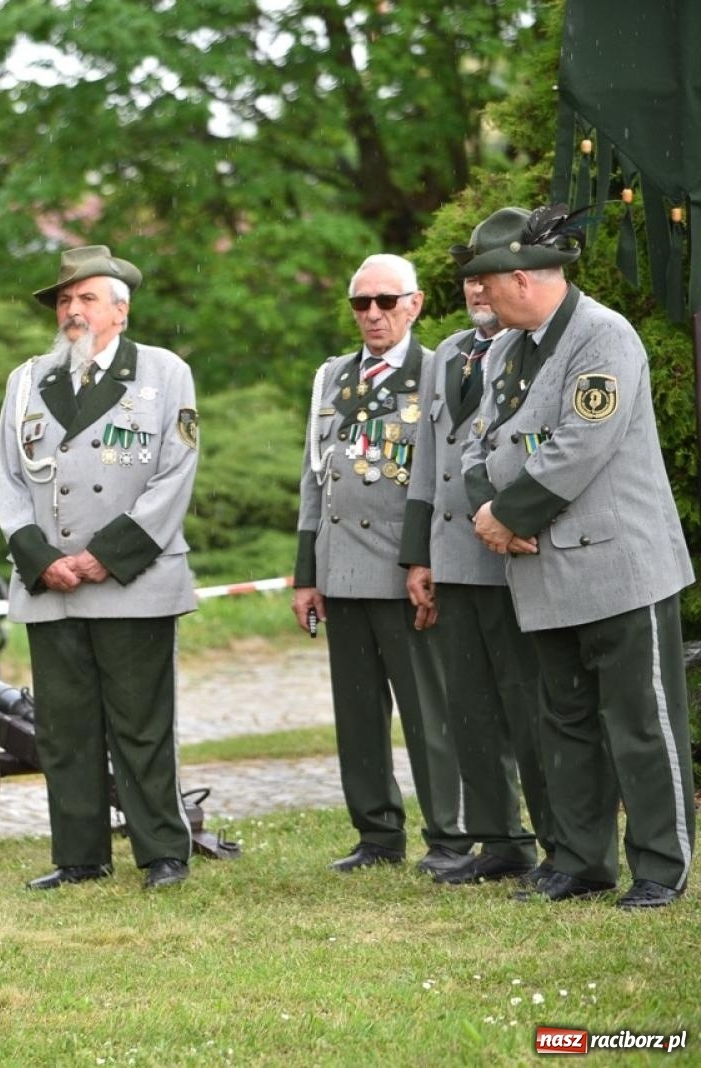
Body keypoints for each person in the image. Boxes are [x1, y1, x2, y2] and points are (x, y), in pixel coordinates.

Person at [458, 204, 695, 908]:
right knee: (563, 721)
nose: (478, 294)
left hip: (621, 567)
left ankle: (660, 868)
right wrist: (489, 511)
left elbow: (581, 443)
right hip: (542, 567)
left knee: (640, 724)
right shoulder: (502, 351)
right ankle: (580, 860)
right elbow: (478, 444)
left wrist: (506, 515)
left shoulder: (603, 336)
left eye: (486, 281)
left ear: (525, 278)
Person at [0, 244, 200, 891]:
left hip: (132, 579)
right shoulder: (29, 378)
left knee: (141, 724)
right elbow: (8, 481)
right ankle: (79, 856)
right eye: (63, 299)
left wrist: (105, 556)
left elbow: (174, 474)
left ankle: (162, 852)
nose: (72, 310)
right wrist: (41, 559)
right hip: (51, 585)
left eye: (86, 298)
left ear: (121, 308)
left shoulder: (164, 374)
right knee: (63, 728)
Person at [291, 253, 471, 875]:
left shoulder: (436, 372)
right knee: (358, 715)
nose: (372, 315)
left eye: (386, 302)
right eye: (360, 304)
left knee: (429, 712)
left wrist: (425, 560)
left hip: (402, 570)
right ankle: (377, 833)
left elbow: (441, 480)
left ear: (414, 304)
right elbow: (316, 478)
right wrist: (305, 575)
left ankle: (451, 834)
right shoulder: (332, 377)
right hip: (340, 570)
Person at [399, 231, 557, 887]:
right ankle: (500, 843)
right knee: (470, 710)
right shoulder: (450, 357)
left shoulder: (536, 353)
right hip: (453, 555)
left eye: (484, 275)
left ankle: (559, 843)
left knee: (530, 708)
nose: (473, 287)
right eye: (466, 277)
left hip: (511, 553)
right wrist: (418, 555)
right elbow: (428, 462)